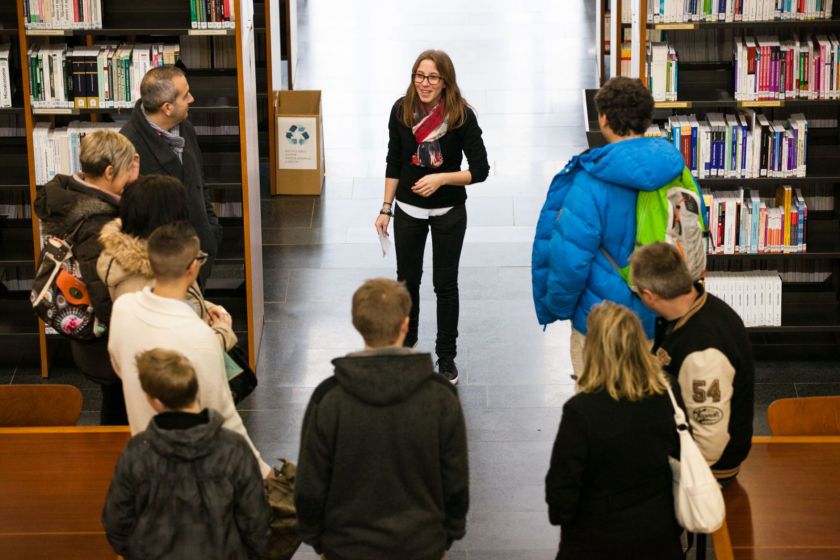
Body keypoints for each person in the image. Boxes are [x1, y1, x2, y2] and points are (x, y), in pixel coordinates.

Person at [295, 278, 469, 559]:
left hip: (344, 546)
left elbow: (310, 484)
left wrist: (319, 540)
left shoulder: (328, 399)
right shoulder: (441, 398)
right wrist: (446, 535)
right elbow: (456, 482)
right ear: (405, 325)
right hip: (422, 545)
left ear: (356, 325)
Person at [531, 76, 687, 379]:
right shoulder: (674, 168)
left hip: (600, 321)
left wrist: (558, 306)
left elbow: (570, 258)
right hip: (657, 311)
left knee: (595, 410)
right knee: (648, 404)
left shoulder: (591, 181)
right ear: (646, 117)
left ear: (603, 119)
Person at [107, 221, 270, 478]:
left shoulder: (123, 308)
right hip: (194, 473)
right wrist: (264, 473)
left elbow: (120, 367)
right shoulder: (200, 337)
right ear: (193, 268)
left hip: (145, 461)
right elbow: (223, 415)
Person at [374, 49, 490, 384]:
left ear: (445, 82)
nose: (424, 84)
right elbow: (394, 160)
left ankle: (446, 358)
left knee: (445, 285)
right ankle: (407, 350)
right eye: (419, 76)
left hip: (449, 213)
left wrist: (442, 177)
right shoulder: (401, 111)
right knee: (407, 284)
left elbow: (480, 171)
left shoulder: (461, 116)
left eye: (433, 77)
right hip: (408, 212)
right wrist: (386, 207)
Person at [545, 301, 682, 560]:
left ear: (595, 351)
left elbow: (560, 498)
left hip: (595, 542)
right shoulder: (665, 397)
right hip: (658, 538)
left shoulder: (581, 412)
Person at [102, 348, 269, 560]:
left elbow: (117, 523)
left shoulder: (138, 451)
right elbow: (256, 522)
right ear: (195, 390)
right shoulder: (234, 447)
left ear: (155, 401)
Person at [34, 129, 139, 425]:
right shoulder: (98, 224)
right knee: (118, 412)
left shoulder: (69, 195)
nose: (132, 174)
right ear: (108, 172)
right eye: (127, 168)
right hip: (107, 346)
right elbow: (105, 297)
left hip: (88, 338)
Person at [631, 242, 754, 480]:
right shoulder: (699, 306)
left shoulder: (703, 351)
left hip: (709, 473)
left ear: (649, 295)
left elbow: (710, 444)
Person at [97, 175, 236, 351]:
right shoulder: (147, 280)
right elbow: (187, 353)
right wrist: (223, 332)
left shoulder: (150, 263)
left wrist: (207, 309)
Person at [120, 65, 221, 285]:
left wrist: (211, 231)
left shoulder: (185, 128)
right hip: (164, 270)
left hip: (197, 254)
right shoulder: (129, 146)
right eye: (185, 96)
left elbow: (199, 183)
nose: (192, 99)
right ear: (167, 108)